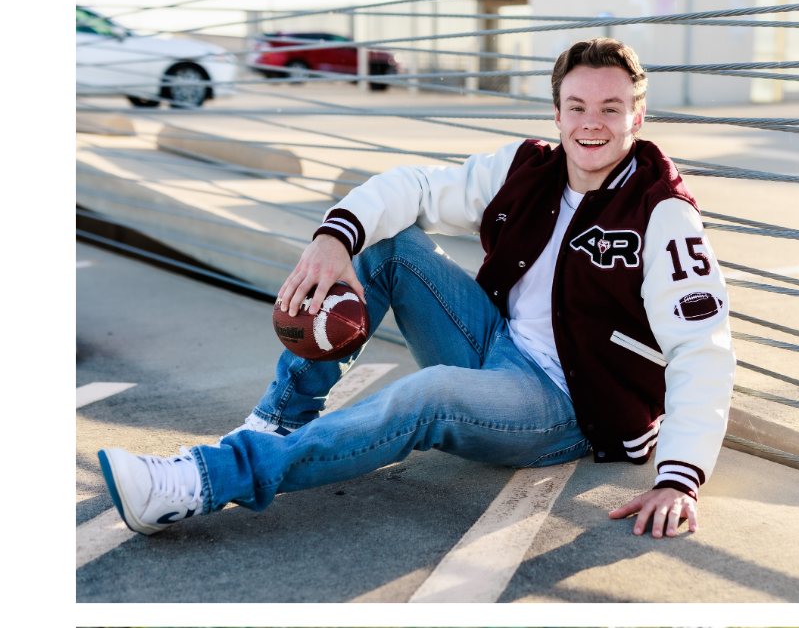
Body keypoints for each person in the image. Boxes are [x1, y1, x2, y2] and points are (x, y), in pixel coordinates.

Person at [97, 38, 736, 542]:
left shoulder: (662, 212)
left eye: (610, 108)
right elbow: (417, 189)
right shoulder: (531, 170)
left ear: (638, 115)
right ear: (558, 111)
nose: (591, 124)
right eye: (577, 107)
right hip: (498, 345)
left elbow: (702, 348)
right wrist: (332, 238)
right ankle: (275, 423)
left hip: (568, 405)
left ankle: (203, 483)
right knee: (390, 246)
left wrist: (680, 479)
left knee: (426, 396)